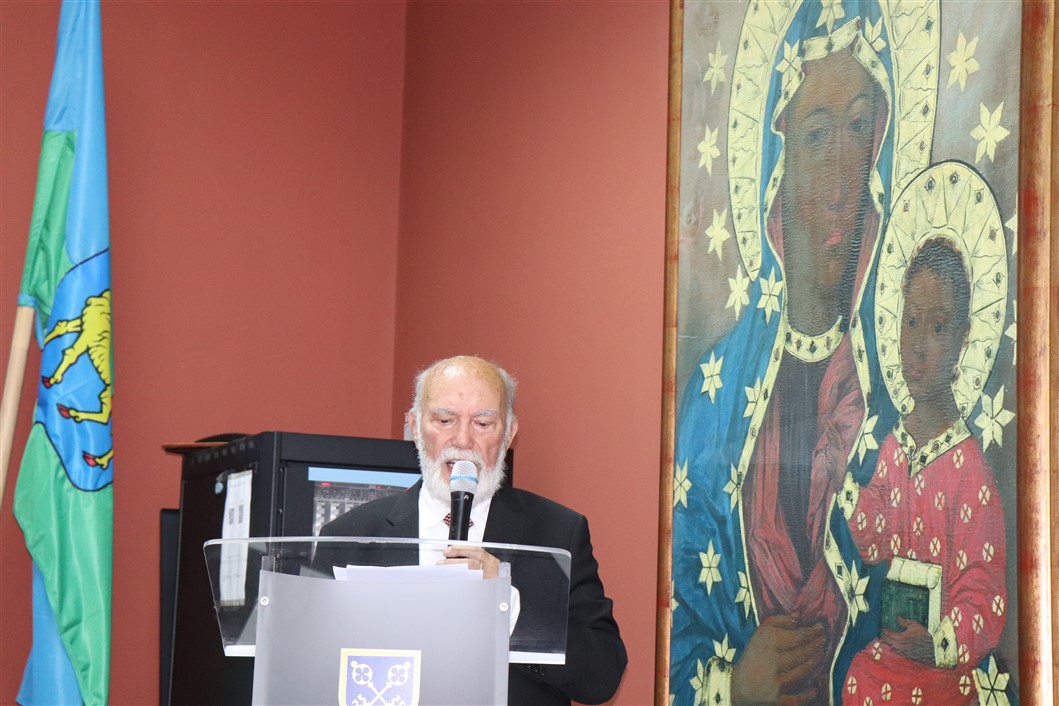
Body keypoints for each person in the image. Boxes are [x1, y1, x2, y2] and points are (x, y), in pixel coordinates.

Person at [668, 2, 942, 704]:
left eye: (859, 128)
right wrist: (734, 684)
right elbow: (674, 614)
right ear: (774, 167)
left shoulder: (906, 385)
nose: (843, 177)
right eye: (817, 135)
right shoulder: (715, 397)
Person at [316, 355, 627, 706]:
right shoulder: (348, 536)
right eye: (444, 420)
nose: (462, 440)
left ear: (508, 434)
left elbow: (602, 676)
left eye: (482, 423)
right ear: (415, 428)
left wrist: (508, 608)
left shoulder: (557, 531)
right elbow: (312, 669)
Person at [839, 237, 1006, 704]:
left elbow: (982, 590)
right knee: (857, 677)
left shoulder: (971, 473)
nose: (917, 345)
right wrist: (843, 486)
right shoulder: (896, 447)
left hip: (944, 669)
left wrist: (937, 644)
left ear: (962, 338)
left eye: (936, 327)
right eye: (910, 321)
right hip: (894, 654)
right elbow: (877, 538)